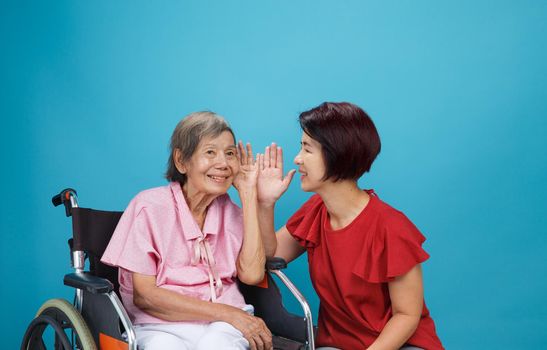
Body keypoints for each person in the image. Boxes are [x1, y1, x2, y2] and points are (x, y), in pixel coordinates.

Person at [256, 102, 444, 349]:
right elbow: (269, 255)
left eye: (307, 149)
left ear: (336, 155)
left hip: (400, 345)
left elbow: (407, 316)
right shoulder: (315, 211)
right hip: (338, 344)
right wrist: (264, 203)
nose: (297, 159)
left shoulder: (391, 227)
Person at [101, 111, 272, 350]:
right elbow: (145, 296)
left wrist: (248, 194)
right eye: (210, 152)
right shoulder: (149, 207)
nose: (223, 163)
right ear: (181, 161)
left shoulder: (230, 212)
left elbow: (253, 275)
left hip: (224, 325)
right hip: (160, 325)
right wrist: (228, 313)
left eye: (230, 153)